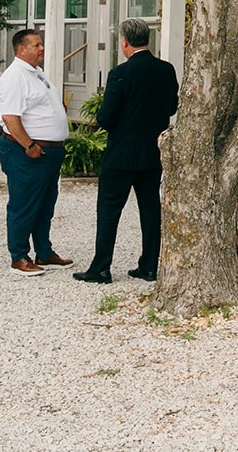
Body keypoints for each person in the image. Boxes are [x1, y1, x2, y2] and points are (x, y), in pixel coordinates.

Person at [72, 19, 178, 284]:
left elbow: (106, 118)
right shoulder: (166, 70)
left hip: (121, 154)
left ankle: (101, 267)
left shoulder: (120, 73)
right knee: (151, 209)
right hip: (153, 152)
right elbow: (172, 107)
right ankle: (150, 265)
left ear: (124, 42)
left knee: (109, 210)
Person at [0, 28, 71, 276]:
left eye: (41, 45)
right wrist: (29, 145)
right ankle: (18, 256)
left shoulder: (36, 74)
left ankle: (44, 251)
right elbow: (10, 117)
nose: (41, 49)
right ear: (21, 49)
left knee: (45, 204)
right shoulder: (14, 76)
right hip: (28, 153)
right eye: (36, 45)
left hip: (49, 153)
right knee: (24, 203)